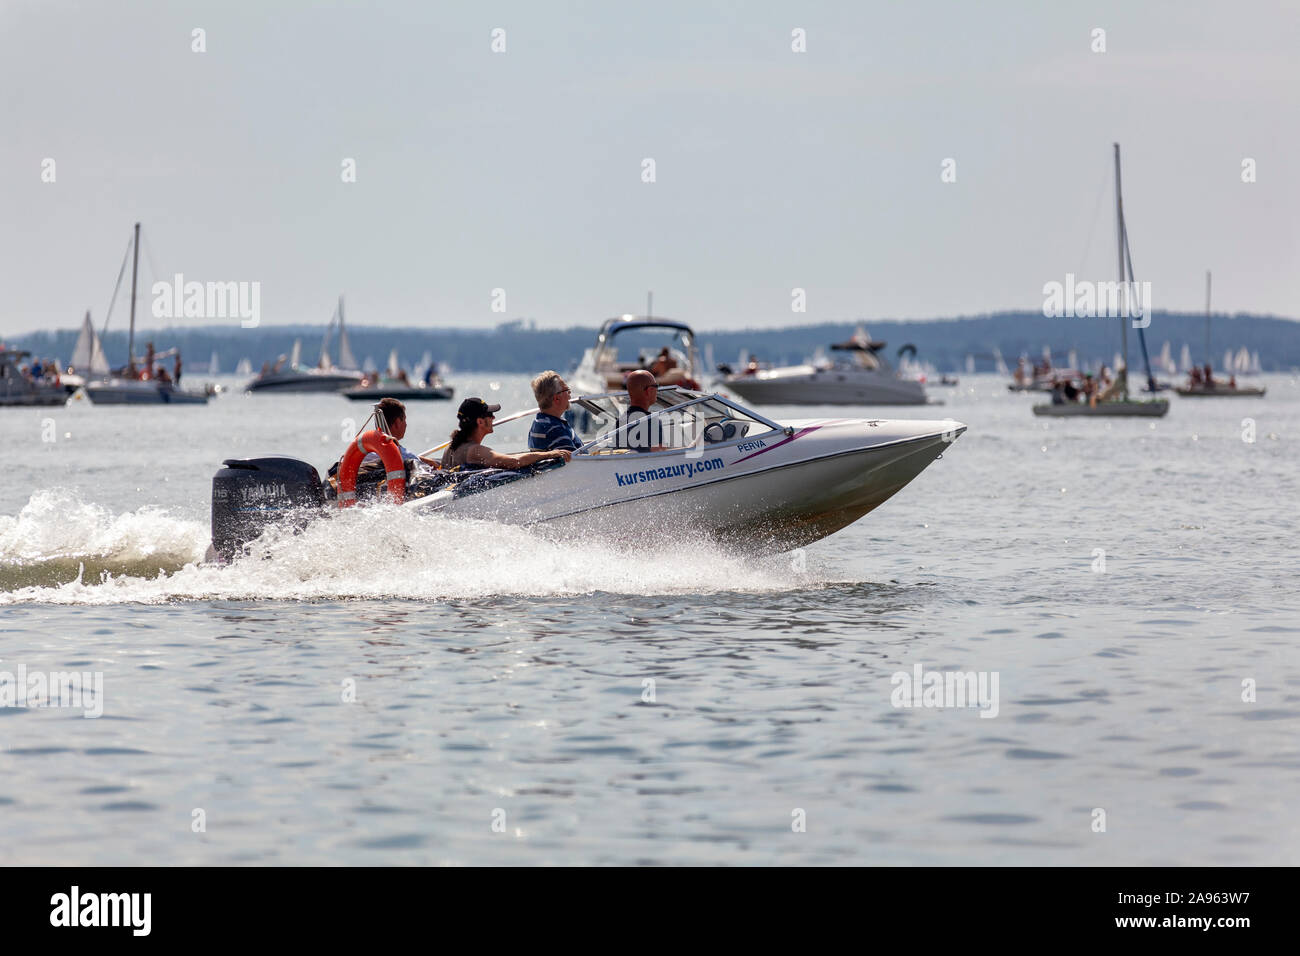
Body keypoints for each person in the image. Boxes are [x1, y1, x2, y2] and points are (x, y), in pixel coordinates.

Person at [442, 397, 570, 470]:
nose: (493, 418)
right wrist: (550, 454)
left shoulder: (450, 447)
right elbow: (514, 462)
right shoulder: (475, 451)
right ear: (480, 422)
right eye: (490, 415)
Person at [364, 397, 440, 468]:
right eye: (404, 420)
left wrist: (422, 459)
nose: (406, 424)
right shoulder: (406, 456)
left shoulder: (365, 453)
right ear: (397, 423)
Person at [528, 371, 579, 452]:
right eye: (567, 390)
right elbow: (576, 461)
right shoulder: (554, 430)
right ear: (557, 399)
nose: (570, 393)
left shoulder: (538, 423)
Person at [619, 369, 665, 452]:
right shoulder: (653, 422)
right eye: (656, 386)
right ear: (649, 391)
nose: (657, 389)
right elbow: (660, 455)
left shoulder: (620, 422)